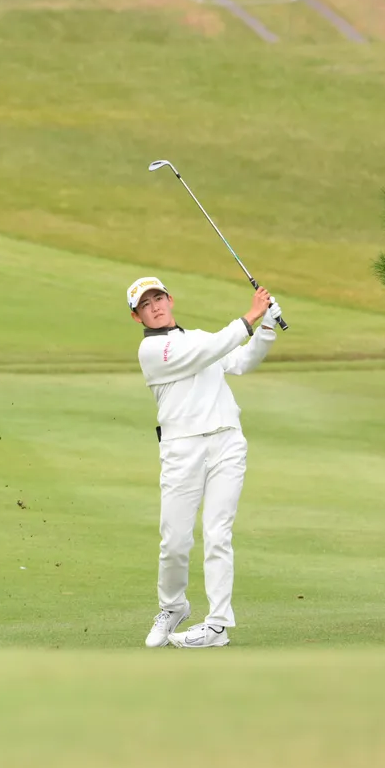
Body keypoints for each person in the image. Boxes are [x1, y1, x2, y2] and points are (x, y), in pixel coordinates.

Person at [127, 276, 283, 648]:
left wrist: (266, 326)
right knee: (175, 541)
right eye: (145, 304)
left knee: (218, 534)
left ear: (170, 300)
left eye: (158, 298)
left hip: (227, 441)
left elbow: (241, 361)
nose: (155, 307)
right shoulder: (152, 351)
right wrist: (250, 316)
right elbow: (210, 351)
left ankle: (216, 626)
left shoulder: (199, 338)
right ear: (137, 317)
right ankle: (173, 607)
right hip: (181, 449)